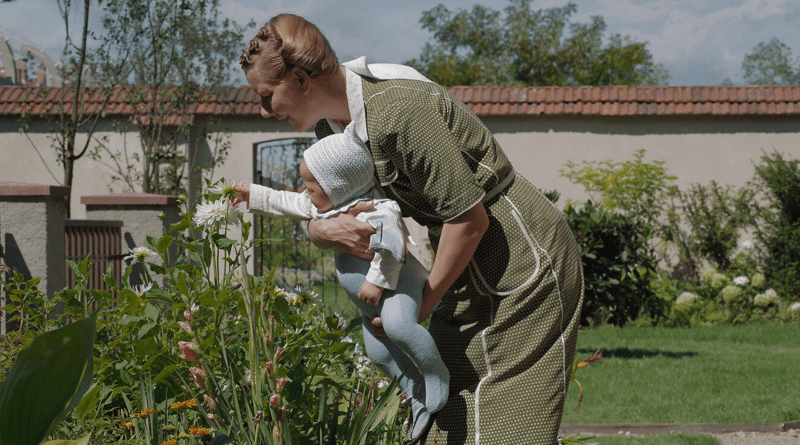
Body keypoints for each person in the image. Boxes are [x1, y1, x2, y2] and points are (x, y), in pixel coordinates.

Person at [239, 13, 584, 445]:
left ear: (301, 80)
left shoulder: (398, 111)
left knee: (506, 422)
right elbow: (328, 209)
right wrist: (321, 232)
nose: (265, 110)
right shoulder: (331, 129)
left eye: (268, 96)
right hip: (458, 259)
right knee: (445, 408)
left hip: (516, 252)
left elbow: (469, 220)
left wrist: (425, 303)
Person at [234, 123, 449, 440]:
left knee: (401, 327)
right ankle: (414, 391)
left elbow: (393, 247)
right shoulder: (326, 205)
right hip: (368, 302)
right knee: (379, 354)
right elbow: (288, 201)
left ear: (338, 185)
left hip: (398, 286)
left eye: (311, 185)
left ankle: (435, 374)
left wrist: (375, 281)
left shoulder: (378, 209)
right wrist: (252, 195)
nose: (305, 190)